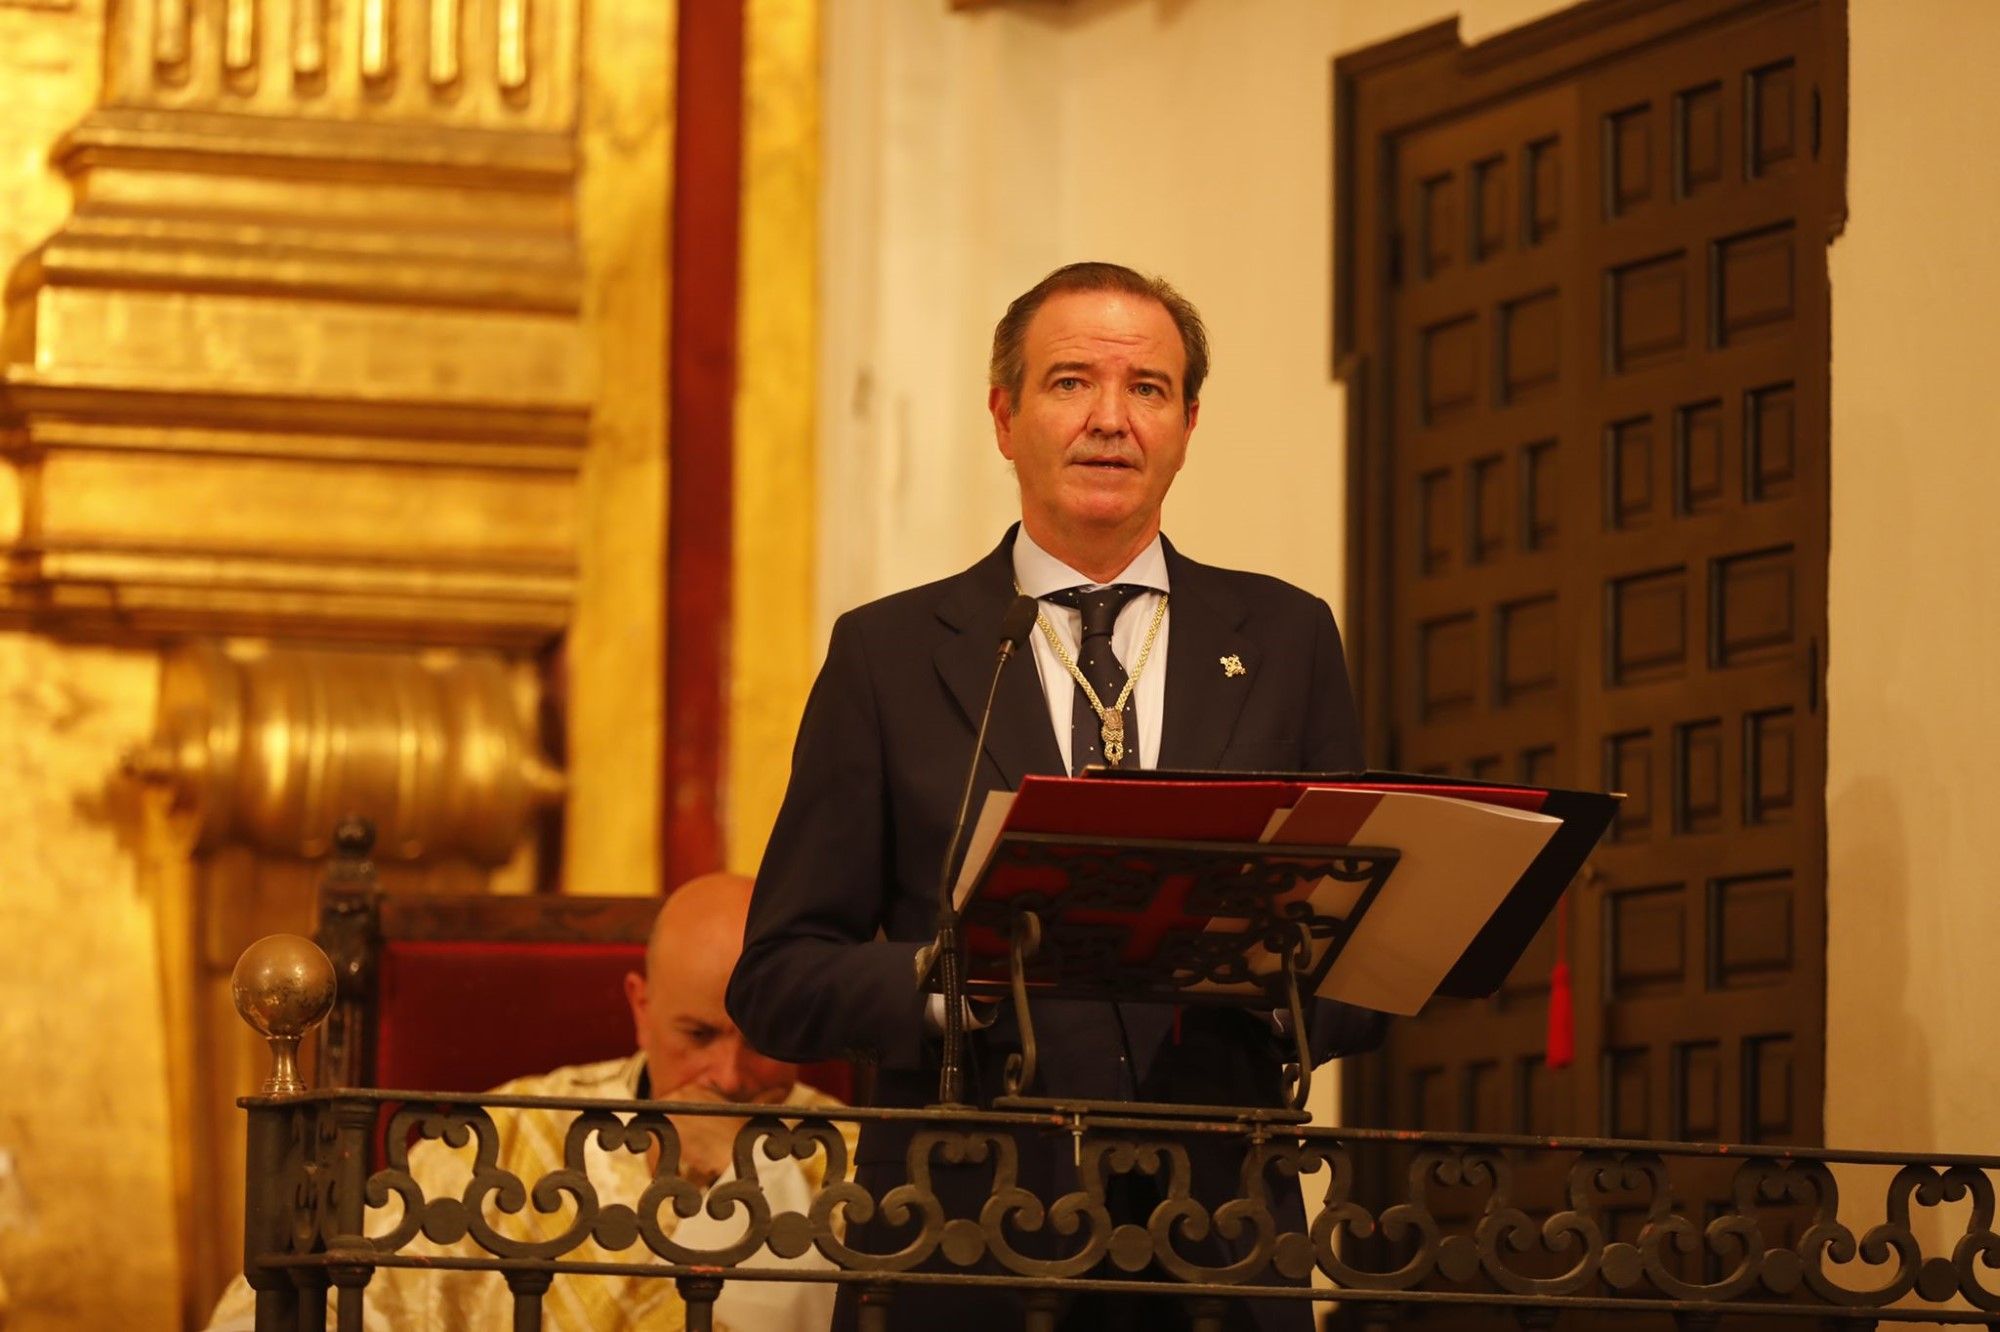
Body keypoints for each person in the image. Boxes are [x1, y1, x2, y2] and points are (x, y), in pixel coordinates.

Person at [727, 261, 1385, 1332]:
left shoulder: (1283, 639)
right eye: (1071, 381)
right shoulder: (888, 655)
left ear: (1186, 423)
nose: (1110, 421)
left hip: (1215, 1245)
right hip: (961, 1243)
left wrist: (1273, 977)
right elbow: (779, 978)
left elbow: (1356, 956)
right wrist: (955, 985)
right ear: (1003, 415)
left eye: (1148, 389)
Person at [207, 873, 850, 1332]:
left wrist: (763, 1177)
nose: (729, 1076)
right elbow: (315, 1295)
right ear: (642, 1008)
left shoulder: (852, 1157)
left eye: (765, 1038)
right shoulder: (518, 1131)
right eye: (699, 1035)